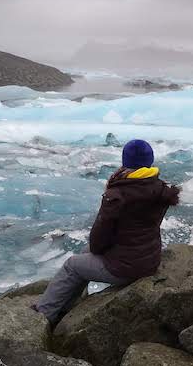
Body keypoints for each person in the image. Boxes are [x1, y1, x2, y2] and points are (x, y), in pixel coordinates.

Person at [34, 139, 180, 327]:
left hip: (126, 267)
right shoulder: (160, 189)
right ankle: (65, 306)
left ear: (126, 162)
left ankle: (43, 315)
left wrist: (99, 249)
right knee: (86, 254)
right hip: (149, 259)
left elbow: (99, 239)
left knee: (73, 265)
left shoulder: (118, 195)